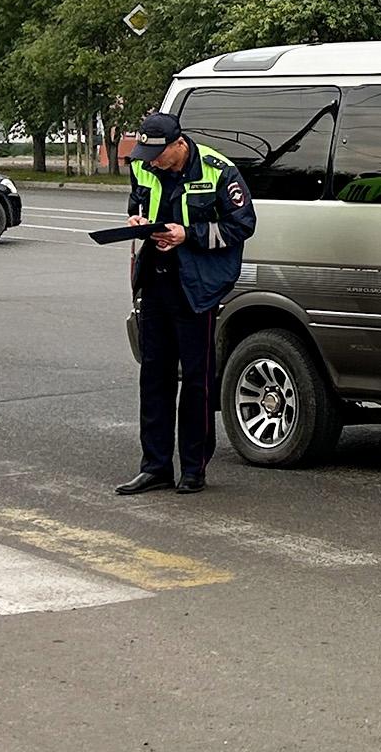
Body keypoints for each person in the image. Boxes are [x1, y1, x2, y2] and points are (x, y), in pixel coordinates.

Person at [115, 111, 257, 496]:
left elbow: (242, 225)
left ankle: (194, 468)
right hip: (156, 281)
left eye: (158, 154)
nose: (152, 161)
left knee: (196, 381)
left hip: (197, 286)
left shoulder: (217, 171)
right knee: (154, 377)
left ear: (179, 144)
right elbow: (137, 199)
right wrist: (135, 219)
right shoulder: (144, 165)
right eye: (147, 154)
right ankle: (155, 466)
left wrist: (188, 235)